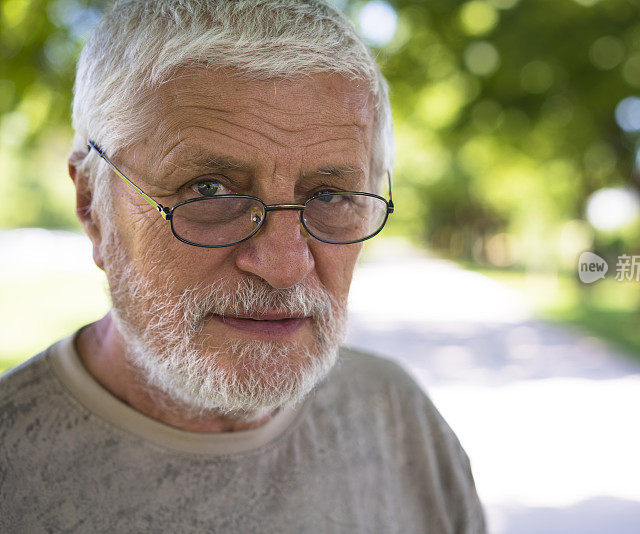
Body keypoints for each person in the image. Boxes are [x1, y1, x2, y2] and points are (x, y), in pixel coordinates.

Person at [0, 1, 486, 531]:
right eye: (209, 191)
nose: (282, 266)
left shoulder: (397, 417)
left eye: (329, 194)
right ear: (94, 204)